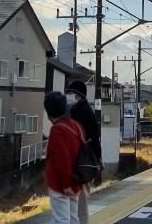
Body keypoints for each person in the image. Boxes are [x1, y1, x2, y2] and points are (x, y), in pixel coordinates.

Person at [44, 91, 86, 224]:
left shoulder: (57, 130)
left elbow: (62, 159)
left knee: (61, 220)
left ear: (48, 111)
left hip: (61, 184)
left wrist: (65, 185)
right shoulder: (77, 126)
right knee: (73, 218)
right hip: (76, 180)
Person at [66, 80, 102, 224]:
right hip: (84, 163)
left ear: (78, 96)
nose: (67, 96)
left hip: (81, 164)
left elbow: (87, 139)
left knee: (79, 203)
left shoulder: (82, 112)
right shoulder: (81, 110)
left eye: (70, 93)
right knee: (77, 203)